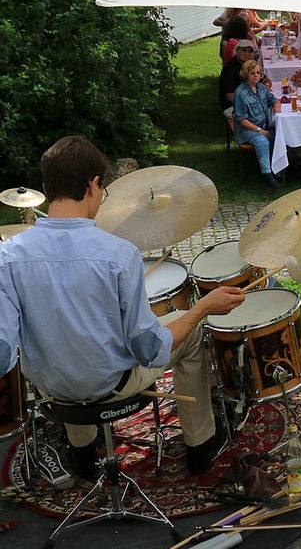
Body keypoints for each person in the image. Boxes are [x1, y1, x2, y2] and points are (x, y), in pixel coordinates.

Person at [0, 137, 246, 477]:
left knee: (62, 345)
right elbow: (149, 349)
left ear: (46, 187)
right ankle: (200, 445)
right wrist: (201, 308)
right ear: (93, 184)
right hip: (113, 387)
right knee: (189, 331)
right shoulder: (118, 254)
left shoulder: (8, 256)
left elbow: (3, 355)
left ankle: (83, 453)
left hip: (53, 391)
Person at [233, 60, 282, 189]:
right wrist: (260, 130)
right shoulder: (241, 93)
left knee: (280, 136)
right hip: (246, 130)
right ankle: (268, 175)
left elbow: (273, 99)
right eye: (252, 73)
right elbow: (241, 120)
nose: (256, 75)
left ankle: (278, 168)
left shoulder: (261, 88)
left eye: (258, 73)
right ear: (246, 75)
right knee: (262, 141)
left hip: (263, 126)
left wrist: (276, 104)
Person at [219, 39, 257, 111]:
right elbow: (230, 96)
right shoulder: (230, 69)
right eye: (244, 50)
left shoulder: (251, 65)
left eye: (250, 51)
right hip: (233, 106)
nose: (247, 53)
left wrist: (266, 86)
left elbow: (265, 79)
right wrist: (254, 99)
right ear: (237, 51)